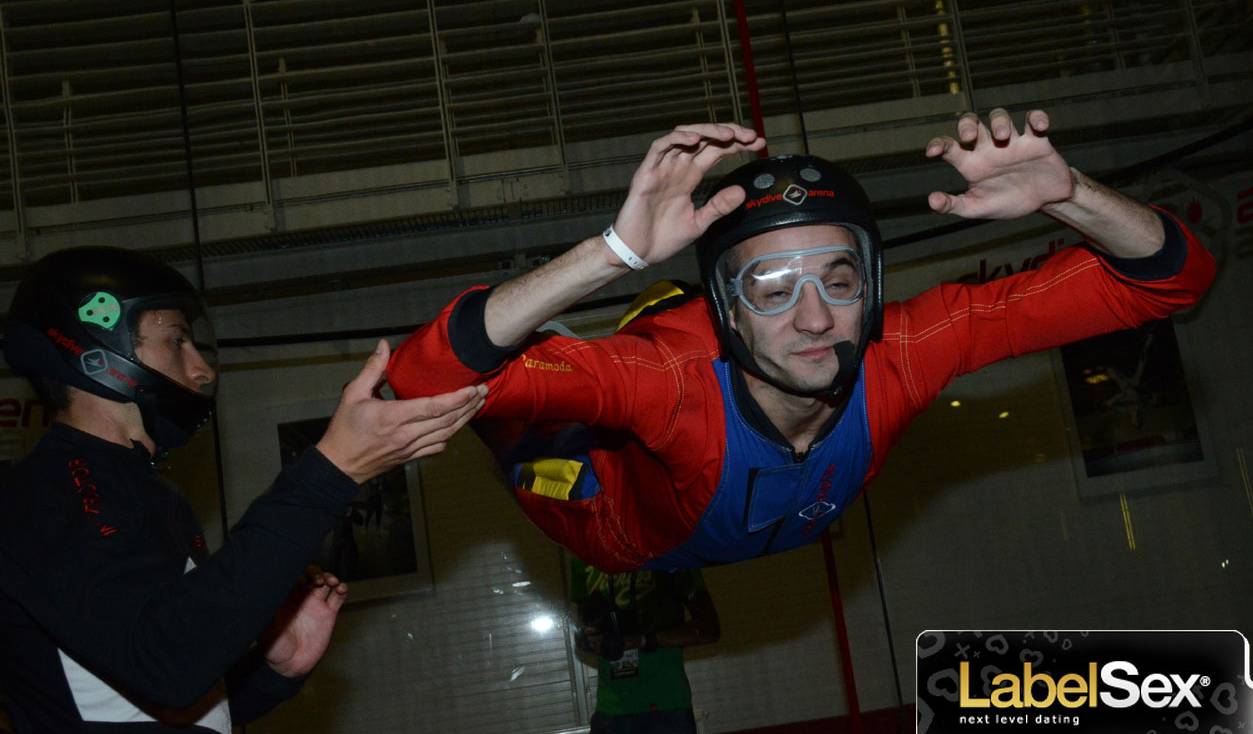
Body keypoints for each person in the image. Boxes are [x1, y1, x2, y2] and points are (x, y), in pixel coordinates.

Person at [387, 110, 1216, 573]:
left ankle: (677, 293)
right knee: (507, 417)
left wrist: (1068, 196)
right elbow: (416, 382)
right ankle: (636, 301)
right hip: (613, 519)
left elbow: (1173, 279)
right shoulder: (666, 384)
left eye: (840, 280)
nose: (818, 319)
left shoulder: (901, 349)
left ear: (871, 286)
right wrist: (614, 251)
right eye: (774, 289)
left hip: (714, 380)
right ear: (729, 308)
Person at [0, 246, 485, 734]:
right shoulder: (38, 495)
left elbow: (168, 700)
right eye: (176, 341)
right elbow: (167, 665)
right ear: (95, 346)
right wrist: (330, 470)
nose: (202, 370)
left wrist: (276, 671)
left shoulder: (157, 499)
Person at [571, 559, 719, 734]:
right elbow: (581, 631)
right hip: (610, 709)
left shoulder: (667, 549)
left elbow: (709, 629)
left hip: (666, 707)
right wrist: (591, 640)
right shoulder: (584, 555)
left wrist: (642, 640)